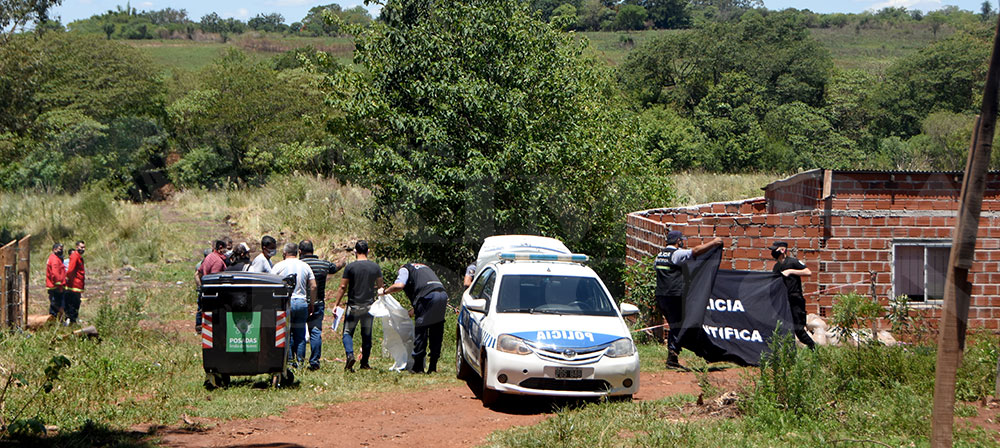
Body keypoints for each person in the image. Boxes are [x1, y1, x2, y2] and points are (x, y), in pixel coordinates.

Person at [654, 231, 724, 370]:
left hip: (661, 296)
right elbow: (696, 251)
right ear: (678, 241)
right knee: (679, 326)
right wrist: (714, 243)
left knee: (676, 325)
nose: (682, 243)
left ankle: (680, 355)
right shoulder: (677, 254)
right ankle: (672, 358)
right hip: (673, 296)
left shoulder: (659, 256)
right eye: (681, 240)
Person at [381, 262, 448, 374]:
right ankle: (433, 366)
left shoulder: (405, 269)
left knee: (421, 330)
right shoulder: (423, 267)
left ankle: (418, 367)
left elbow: (399, 285)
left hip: (428, 297)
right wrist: (412, 312)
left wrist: (384, 292)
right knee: (436, 329)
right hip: (442, 296)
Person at [332, 240, 383, 372]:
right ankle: (365, 363)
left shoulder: (350, 267)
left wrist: (336, 304)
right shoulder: (375, 267)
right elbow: (380, 287)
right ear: (368, 251)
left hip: (353, 305)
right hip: (369, 306)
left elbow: (343, 286)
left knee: (348, 333)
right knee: (366, 334)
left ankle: (350, 355)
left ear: (355, 252)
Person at [298, 240, 346, 371]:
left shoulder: (299, 264)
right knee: (315, 332)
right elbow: (335, 268)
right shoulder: (323, 264)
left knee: (299, 332)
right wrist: (342, 262)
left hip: (301, 302)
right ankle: (314, 362)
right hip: (318, 303)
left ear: (300, 252)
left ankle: (299, 362)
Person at [272, 243, 318, 369]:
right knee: (300, 333)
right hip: (302, 301)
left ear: (284, 253)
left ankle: (290, 361)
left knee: (287, 332)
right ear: (297, 252)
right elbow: (313, 286)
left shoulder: (279, 266)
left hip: (287, 302)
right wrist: (311, 303)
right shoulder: (305, 266)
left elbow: (271, 283)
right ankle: (301, 362)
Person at [769, 241, 816, 349]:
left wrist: (790, 271)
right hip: (783, 300)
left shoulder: (792, 262)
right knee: (782, 327)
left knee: (798, 329)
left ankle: (814, 349)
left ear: (782, 250)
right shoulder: (776, 267)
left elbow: (808, 272)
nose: (773, 252)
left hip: (795, 299)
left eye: (775, 249)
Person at [195, 240, 228, 334]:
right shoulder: (218, 261)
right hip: (213, 295)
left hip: (205, 291)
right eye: (225, 249)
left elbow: (197, 274)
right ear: (220, 248)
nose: (226, 251)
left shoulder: (209, 257)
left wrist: (200, 288)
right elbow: (214, 280)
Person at [64, 241, 87, 325]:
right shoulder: (75, 256)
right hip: (74, 285)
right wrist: (68, 279)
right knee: (73, 304)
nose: (83, 249)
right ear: (77, 247)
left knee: (76, 303)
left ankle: (73, 320)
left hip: (78, 284)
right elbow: (70, 269)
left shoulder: (79, 257)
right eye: (81, 247)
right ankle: (71, 321)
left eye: (84, 247)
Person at [46, 243, 66, 319]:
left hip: (55, 286)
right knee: (56, 305)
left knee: (54, 305)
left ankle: (54, 321)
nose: (61, 251)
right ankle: (53, 321)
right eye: (60, 249)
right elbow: (55, 274)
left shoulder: (55, 258)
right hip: (55, 287)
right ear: (54, 250)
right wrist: (60, 286)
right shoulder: (54, 259)